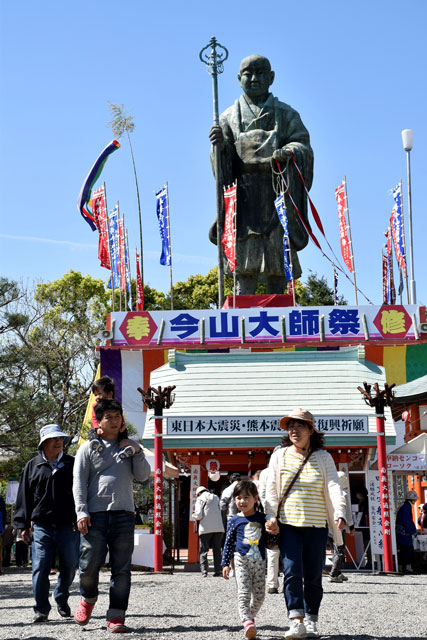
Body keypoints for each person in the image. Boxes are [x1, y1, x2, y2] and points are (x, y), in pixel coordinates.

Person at [209, 54, 313, 294]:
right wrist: (220, 148)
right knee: (245, 267)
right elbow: (222, 168)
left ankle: (280, 313)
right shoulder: (227, 117)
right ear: (238, 78)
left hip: (277, 193)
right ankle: (244, 315)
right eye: (248, 73)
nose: (254, 78)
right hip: (243, 198)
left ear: (271, 77)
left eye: (260, 73)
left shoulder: (287, 115)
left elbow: (303, 146)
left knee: (277, 265)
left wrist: (288, 151)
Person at [265, 408, 346, 639]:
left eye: (299, 425)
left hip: (316, 525)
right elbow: (271, 487)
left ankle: (311, 619)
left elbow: (333, 486)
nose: (294, 430)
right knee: (291, 571)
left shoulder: (324, 457)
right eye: (290, 426)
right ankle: (296, 620)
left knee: (313, 574)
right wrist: (270, 515)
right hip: (288, 524)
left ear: (311, 429)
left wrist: (339, 512)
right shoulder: (279, 455)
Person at [73, 398, 150, 633]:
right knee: (88, 565)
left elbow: (144, 475)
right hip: (94, 515)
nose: (115, 421)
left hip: (124, 514)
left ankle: (116, 616)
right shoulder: (87, 447)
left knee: (122, 568)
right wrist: (81, 511)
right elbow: (78, 482)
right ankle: (88, 597)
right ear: (99, 421)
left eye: (118, 416)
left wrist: (136, 449)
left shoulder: (129, 446)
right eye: (109, 417)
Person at [13, 423, 79, 622]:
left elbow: (82, 492)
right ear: (44, 443)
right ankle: (41, 609)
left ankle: (60, 597)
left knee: (69, 565)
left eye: (60, 438)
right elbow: (23, 497)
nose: (59, 442)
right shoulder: (32, 466)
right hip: (41, 526)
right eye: (54, 439)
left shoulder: (72, 464)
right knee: (40, 567)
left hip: (68, 525)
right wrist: (22, 526)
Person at [222, 480, 266, 640]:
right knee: (244, 594)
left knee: (260, 596)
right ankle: (247, 622)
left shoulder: (262, 518)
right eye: (238, 498)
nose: (242, 501)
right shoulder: (234, 520)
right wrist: (225, 563)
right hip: (241, 561)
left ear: (255, 498)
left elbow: (271, 540)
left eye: (246, 497)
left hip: (260, 562)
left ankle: (250, 616)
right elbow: (228, 543)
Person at [192, 486, 224, 577]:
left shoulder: (199, 499)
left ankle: (204, 571)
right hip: (218, 528)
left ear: (198, 493)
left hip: (205, 528)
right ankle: (218, 571)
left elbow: (198, 515)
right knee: (217, 550)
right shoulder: (216, 497)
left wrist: (193, 515)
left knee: (204, 550)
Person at [328, 471, 354, 583]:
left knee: (334, 549)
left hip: (327, 526)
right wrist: (351, 526)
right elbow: (347, 512)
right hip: (339, 526)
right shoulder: (343, 494)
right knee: (339, 549)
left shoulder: (327, 493)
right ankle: (334, 574)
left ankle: (338, 572)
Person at [395, 489, 418, 574]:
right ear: (412, 499)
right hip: (405, 533)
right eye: (415, 499)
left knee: (402, 550)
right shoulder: (407, 507)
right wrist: (413, 531)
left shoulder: (403, 506)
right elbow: (407, 521)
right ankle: (408, 568)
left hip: (400, 532)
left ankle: (402, 567)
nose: (415, 501)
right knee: (408, 550)